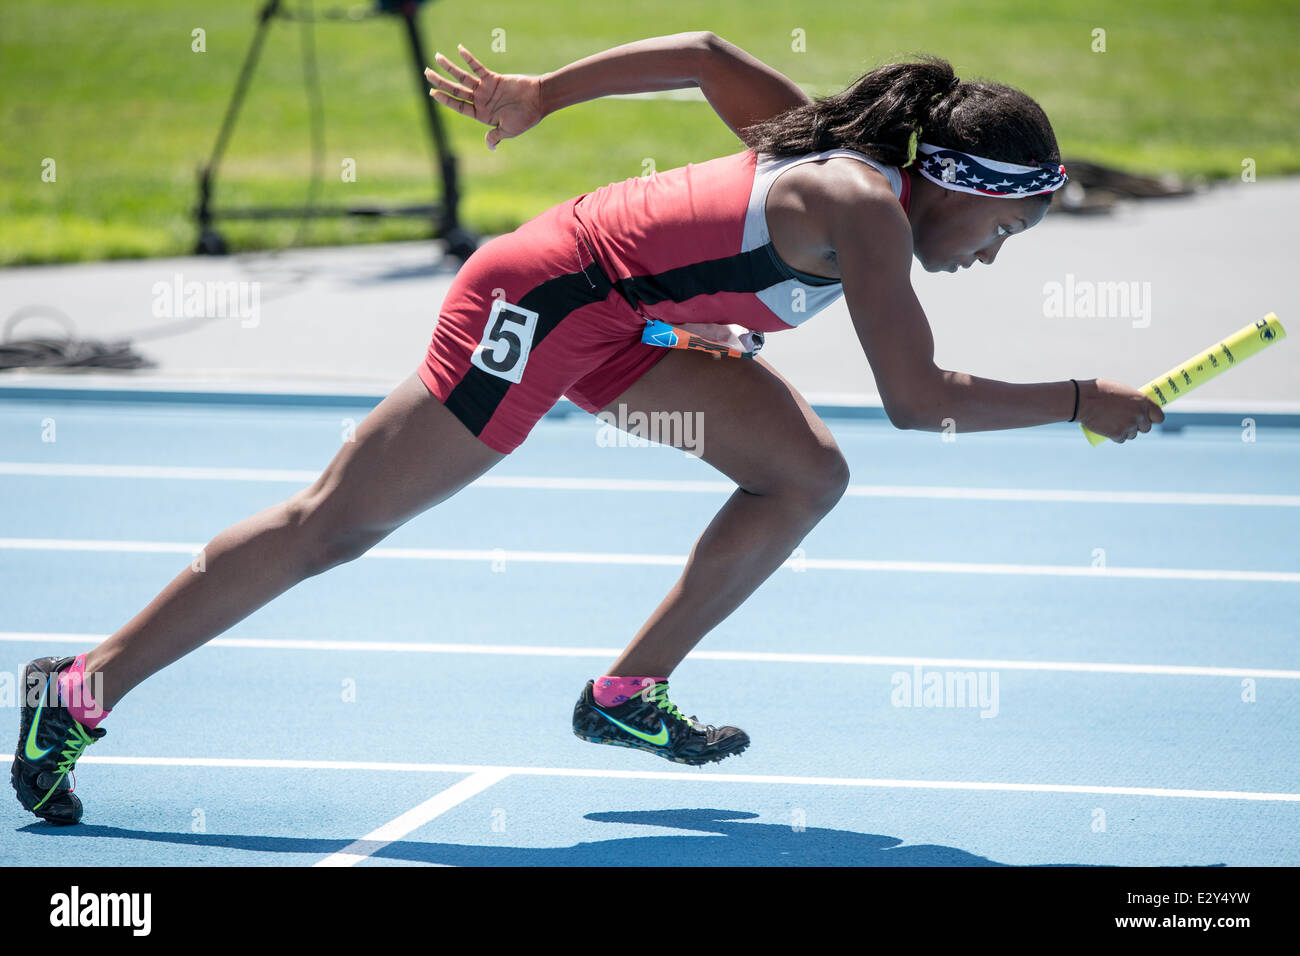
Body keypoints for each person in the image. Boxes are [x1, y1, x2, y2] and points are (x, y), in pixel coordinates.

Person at [13, 32, 1163, 824]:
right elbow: (918, 399)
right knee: (335, 525)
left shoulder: (866, 181)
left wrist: (683, 292)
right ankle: (80, 686)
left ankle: (627, 694)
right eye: (1004, 227)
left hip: (630, 329)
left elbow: (702, 57)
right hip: (540, 302)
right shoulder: (863, 206)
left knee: (803, 472)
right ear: (957, 184)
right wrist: (1076, 399)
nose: (993, 253)